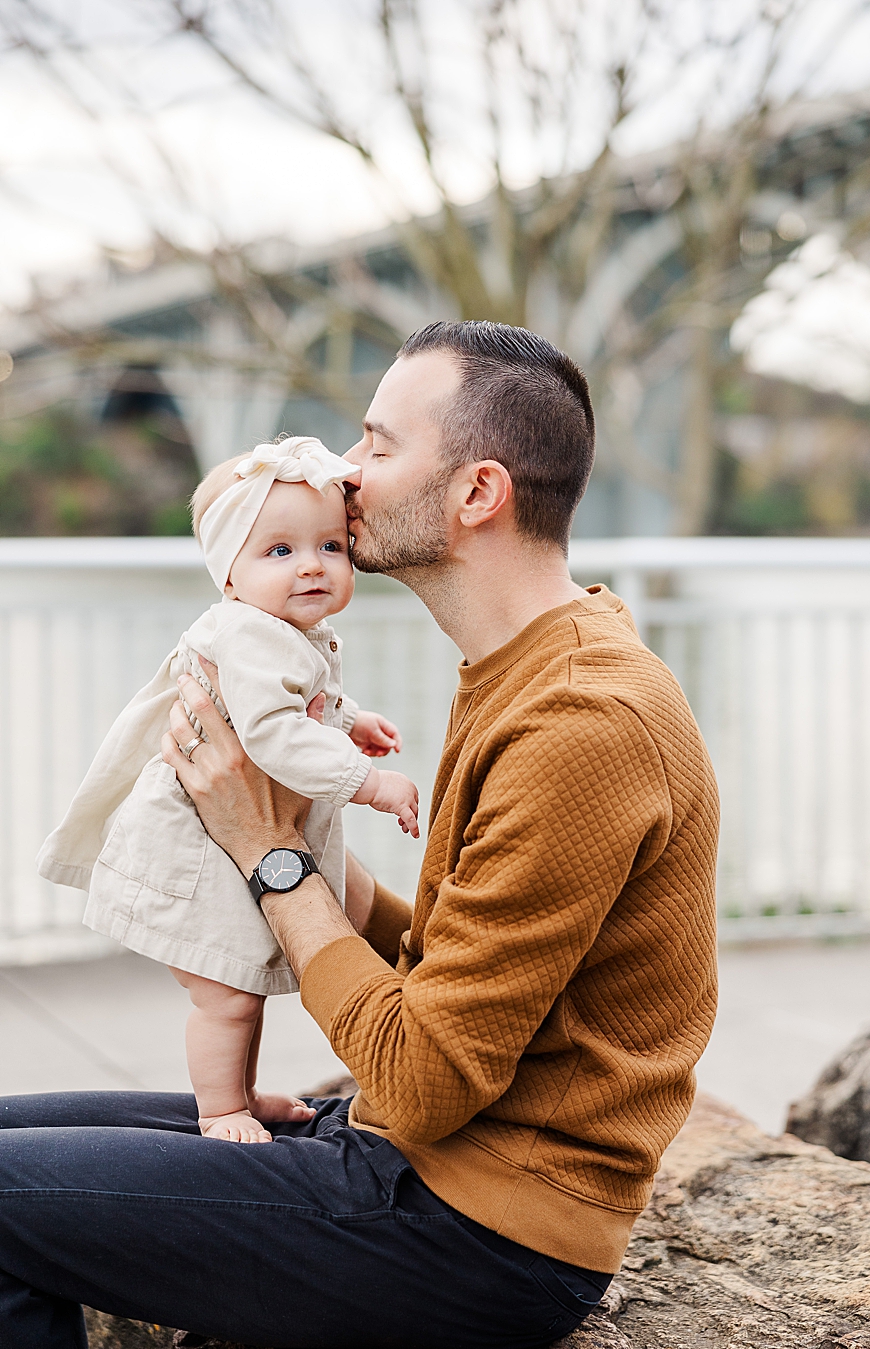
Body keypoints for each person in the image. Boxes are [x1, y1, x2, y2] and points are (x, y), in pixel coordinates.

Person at [0, 321, 718, 1349]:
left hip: (477, 1229)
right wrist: (296, 847)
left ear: (476, 493)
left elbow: (424, 1080)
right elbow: (476, 962)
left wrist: (272, 856)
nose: (344, 472)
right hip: (425, 1164)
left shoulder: (580, 724)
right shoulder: (539, 659)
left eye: (378, 446)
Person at [37, 435, 418, 1146]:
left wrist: (351, 718)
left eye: (330, 546)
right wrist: (368, 782)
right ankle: (220, 1109)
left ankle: (238, 1093)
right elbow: (273, 731)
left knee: (242, 985)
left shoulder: (277, 630)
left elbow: (291, 700)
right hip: (199, 853)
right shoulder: (251, 634)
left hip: (226, 846)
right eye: (279, 551)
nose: (311, 564)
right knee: (226, 996)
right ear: (229, 576)